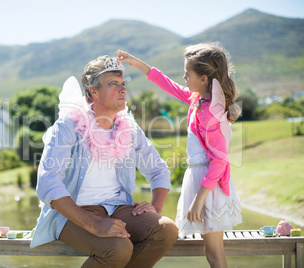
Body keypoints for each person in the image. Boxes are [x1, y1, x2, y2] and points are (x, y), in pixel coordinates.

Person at [30, 55, 179, 268]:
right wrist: (94, 224)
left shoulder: (128, 127)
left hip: (118, 207)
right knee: (117, 249)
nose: (123, 90)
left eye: (123, 84)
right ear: (93, 91)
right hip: (75, 211)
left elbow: (158, 169)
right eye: (113, 84)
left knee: (166, 230)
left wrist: (155, 206)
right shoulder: (67, 126)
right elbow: (47, 183)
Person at [116, 43, 242, 268]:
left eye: (188, 73)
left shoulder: (211, 112)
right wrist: (136, 63)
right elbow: (169, 85)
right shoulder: (198, 100)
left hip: (207, 185)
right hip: (200, 178)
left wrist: (198, 199)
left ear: (204, 79)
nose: (184, 76)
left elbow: (220, 160)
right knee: (211, 251)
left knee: (214, 252)